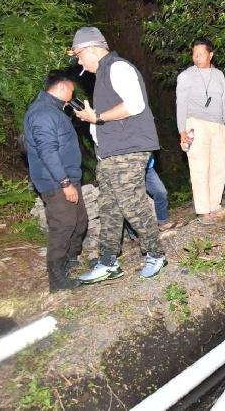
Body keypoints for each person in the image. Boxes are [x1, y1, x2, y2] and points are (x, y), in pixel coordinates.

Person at [70, 26, 166, 282]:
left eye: (79, 55)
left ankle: (156, 254)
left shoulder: (118, 67)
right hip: (111, 153)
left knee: (131, 203)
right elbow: (103, 120)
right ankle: (108, 262)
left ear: (92, 49)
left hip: (129, 150)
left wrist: (97, 117)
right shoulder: (103, 74)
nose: (79, 62)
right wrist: (96, 129)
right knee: (109, 208)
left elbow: (135, 104)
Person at [23, 70, 88, 291]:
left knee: (80, 222)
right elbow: (47, 151)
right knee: (63, 226)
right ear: (62, 87)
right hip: (55, 181)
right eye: (72, 90)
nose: (73, 94)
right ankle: (57, 280)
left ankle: (69, 261)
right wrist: (64, 183)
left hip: (68, 178)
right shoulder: (43, 113)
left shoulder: (54, 110)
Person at [176, 38, 225, 224]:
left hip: (217, 125)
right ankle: (202, 210)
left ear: (211, 55)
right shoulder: (185, 76)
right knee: (199, 166)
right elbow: (180, 104)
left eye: (201, 54)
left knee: (218, 166)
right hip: (195, 123)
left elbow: (224, 100)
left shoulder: (219, 75)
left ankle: (215, 205)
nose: (197, 57)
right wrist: (182, 130)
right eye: (194, 54)